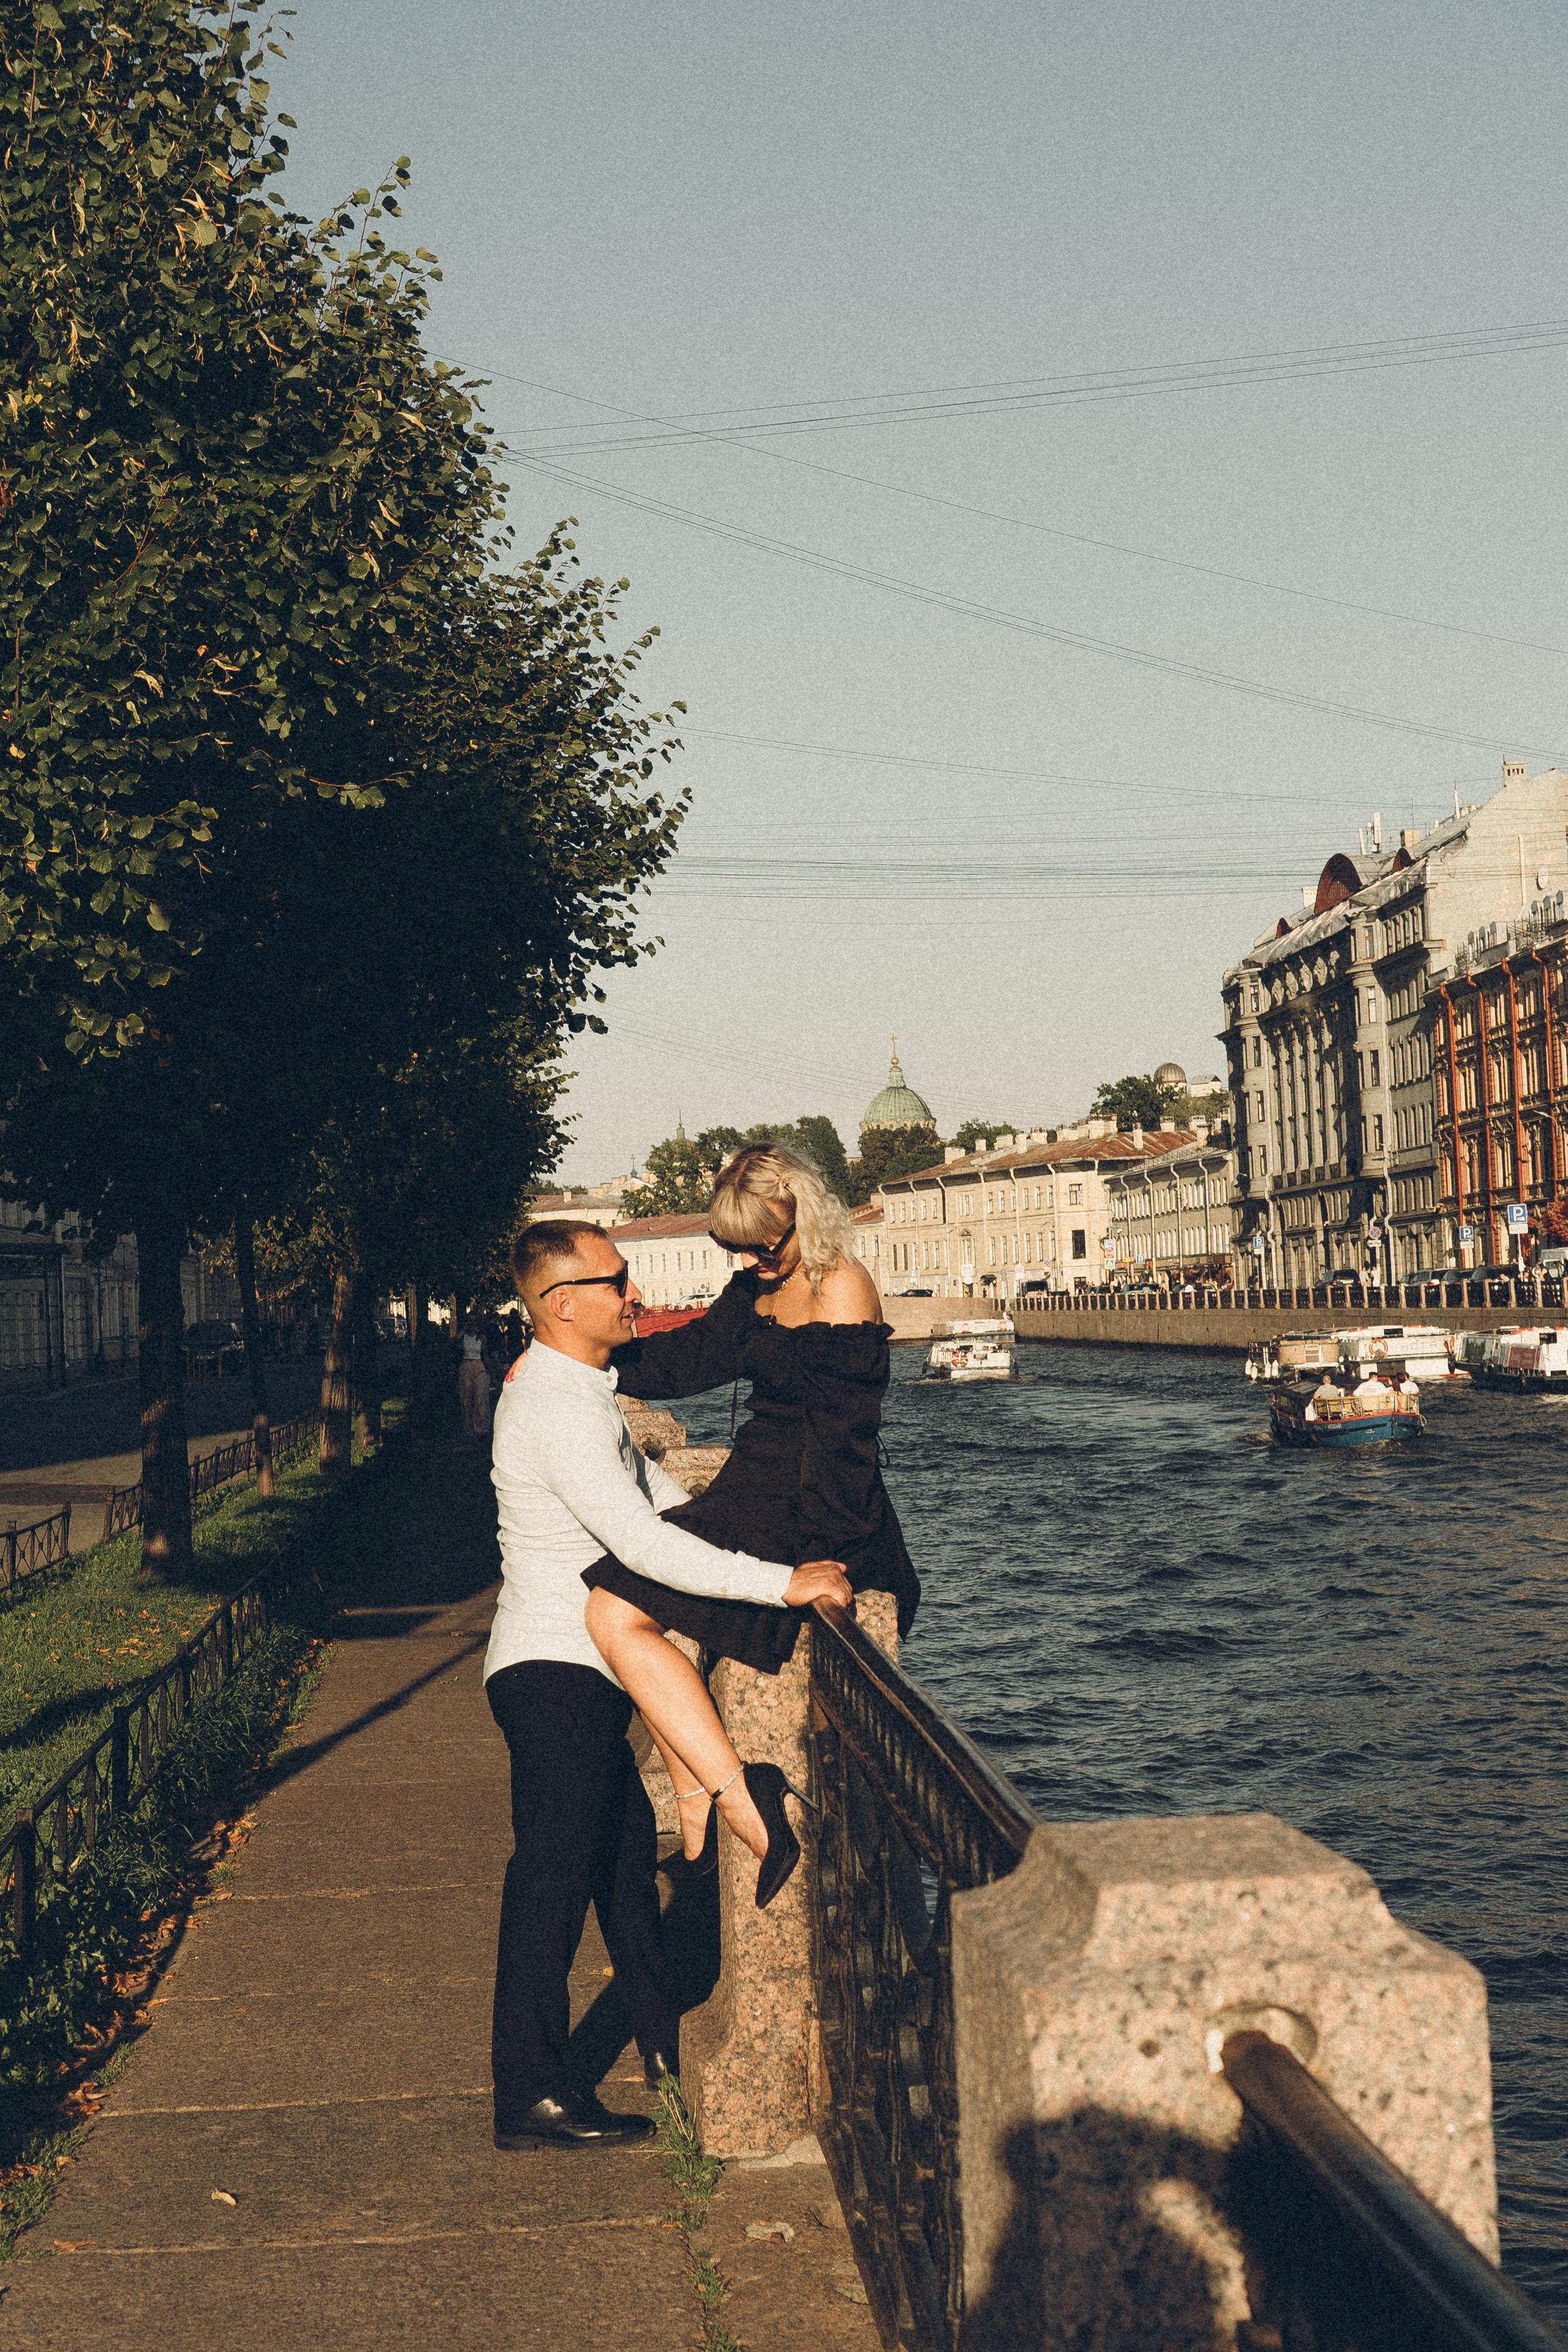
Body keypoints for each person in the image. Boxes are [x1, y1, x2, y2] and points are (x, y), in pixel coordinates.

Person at [484, 1217, 851, 2150]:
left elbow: (667, 1508)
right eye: (616, 1281)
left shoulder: (576, 1390)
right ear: (562, 1305)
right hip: (555, 1671)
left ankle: (659, 2051)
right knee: (552, 1883)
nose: (634, 1294)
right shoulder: (557, 1409)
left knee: (618, 1879)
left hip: (573, 1671)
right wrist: (782, 1584)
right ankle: (527, 2092)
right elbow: (644, 1546)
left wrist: (773, 1529)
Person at [582, 1144, 919, 1903]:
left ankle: (721, 1799)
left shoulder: (843, 1290)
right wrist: (585, 1359)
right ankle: (707, 1802)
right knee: (626, 1612)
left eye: (769, 1245)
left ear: (806, 1211)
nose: (758, 1261)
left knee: (618, 1607)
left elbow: (844, 1444)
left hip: (810, 1509)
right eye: (740, 1248)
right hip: (751, 1490)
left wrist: (819, 1564)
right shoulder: (756, 1291)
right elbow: (685, 1362)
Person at [456, 1311, 491, 1441]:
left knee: (479, 1397)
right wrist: (465, 1328)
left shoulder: (481, 1338)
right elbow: (456, 1340)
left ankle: (480, 1428)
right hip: (466, 1366)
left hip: (478, 1366)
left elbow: (485, 1354)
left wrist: (489, 1370)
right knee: (466, 1399)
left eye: (474, 1321)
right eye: (470, 1320)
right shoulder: (463, 1337)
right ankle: (468, 1429)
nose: (472, 1323)